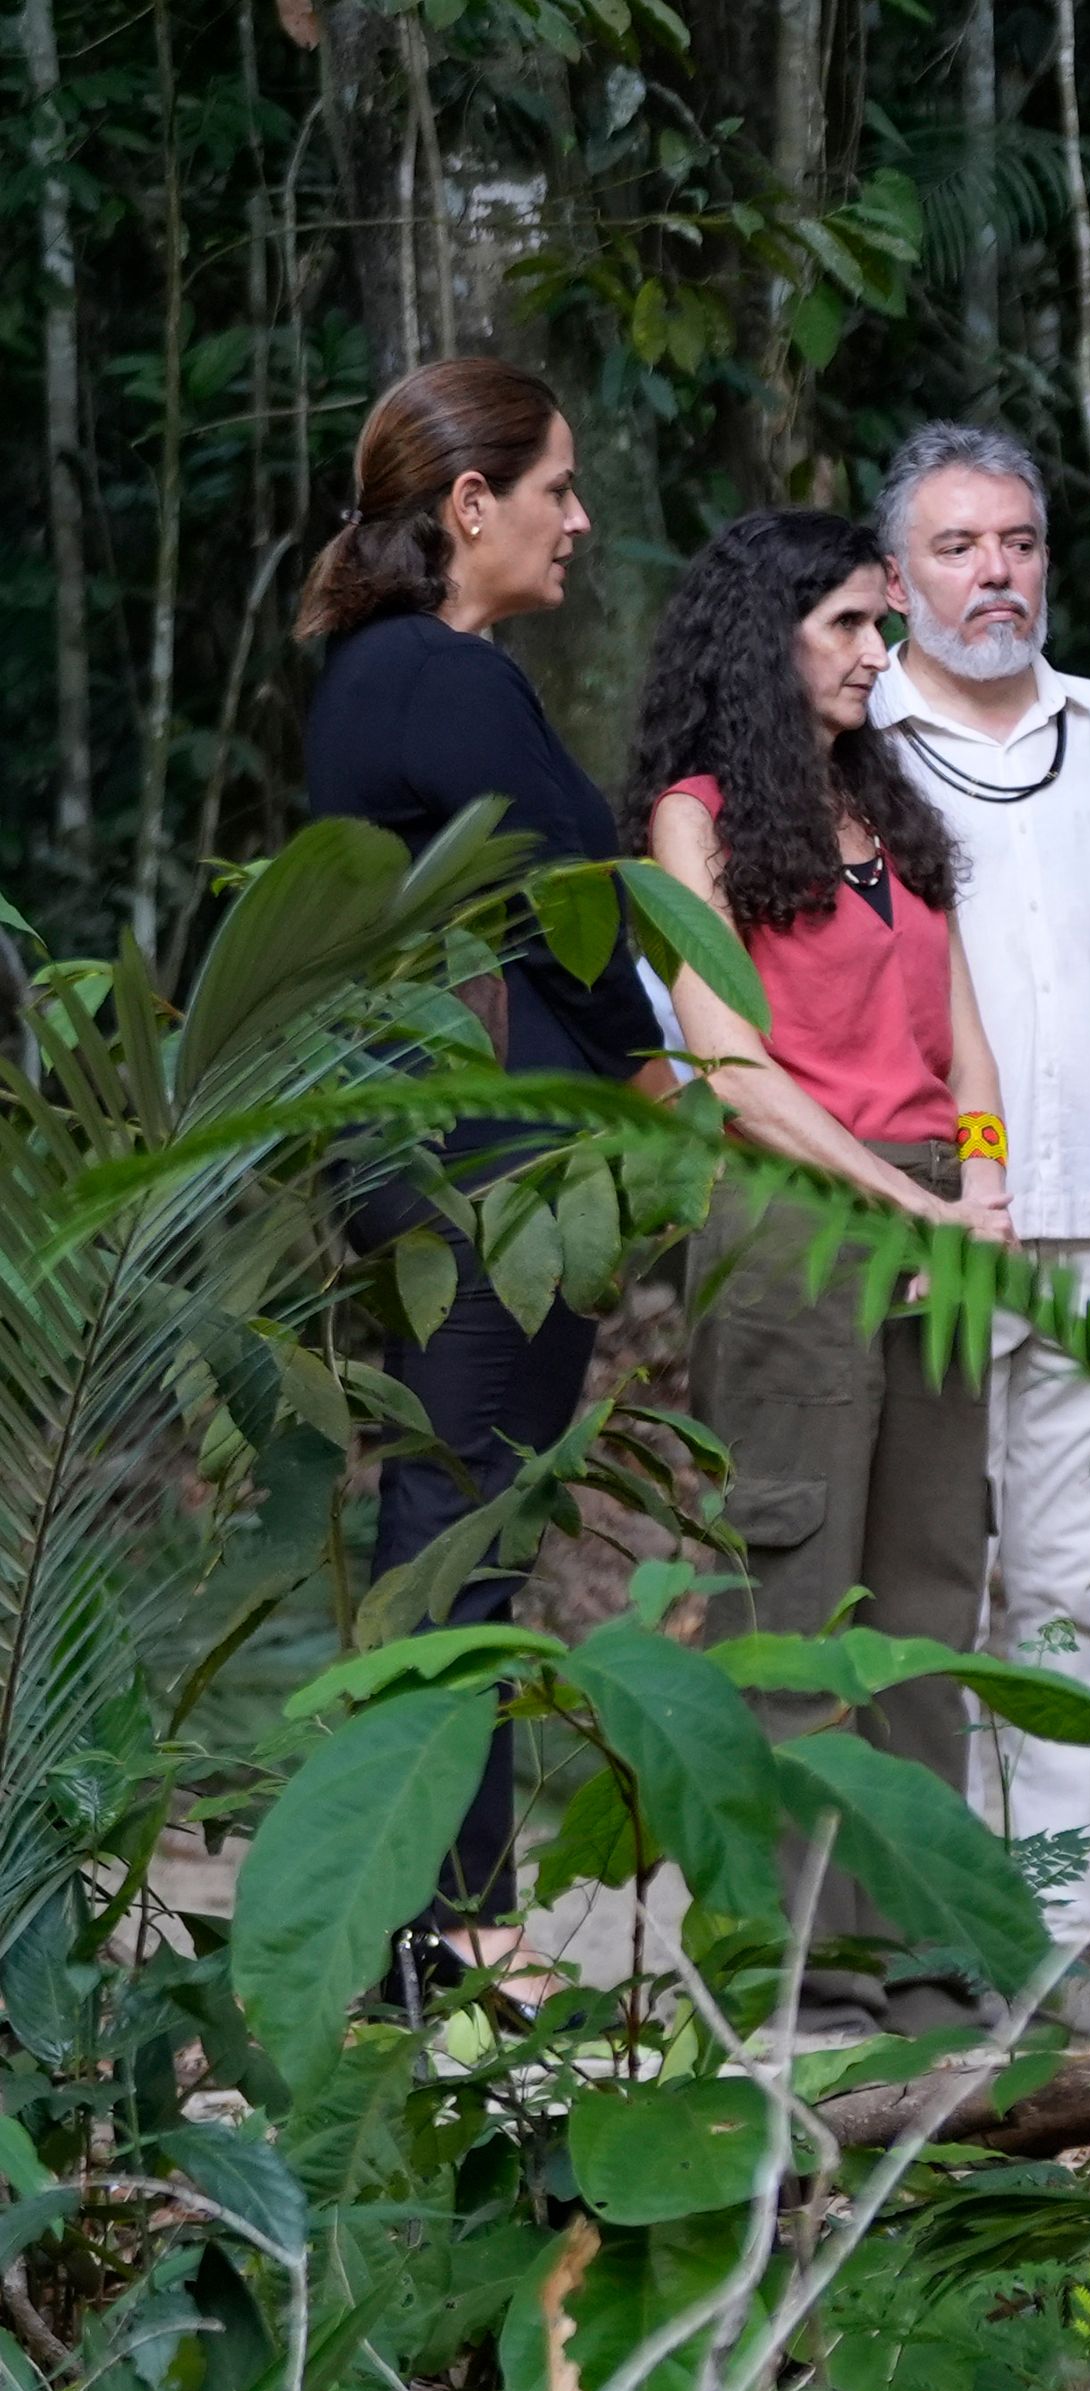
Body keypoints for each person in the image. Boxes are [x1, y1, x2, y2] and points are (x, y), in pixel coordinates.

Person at [300, 356, 669, 1996]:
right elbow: (575, 905)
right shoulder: (438, 677)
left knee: (464, 1507)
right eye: (556, 491)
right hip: (484, 1156)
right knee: (463, 1513)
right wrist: (663, 1077)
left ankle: (438, 1916)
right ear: (470, 507)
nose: (578, 522)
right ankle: (444, 1927)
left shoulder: (385, 674)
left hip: (443, 1143)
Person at [624, 506, 1019, 2035]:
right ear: (765, 637)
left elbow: (966, 1032)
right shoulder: (695, 817)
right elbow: (731, 1070)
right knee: (793, 1591)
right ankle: (795, 1969)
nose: (879, 651)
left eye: (879, 625)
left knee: (928, 1594)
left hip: (938, 1209)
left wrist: (982, 1187)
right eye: (851, 625)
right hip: (795, 1212)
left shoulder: (893, 809)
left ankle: (924, 1950)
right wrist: (902, 1205)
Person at [871, 421, 1090, 1966]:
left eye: (1016, 542)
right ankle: (906, 1915)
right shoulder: (853, 738)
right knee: (921, 1577)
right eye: (957, 547)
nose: (994, 572)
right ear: (894, 580)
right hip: (922, 1230)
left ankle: (1053, 1914)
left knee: (1073, 1581)